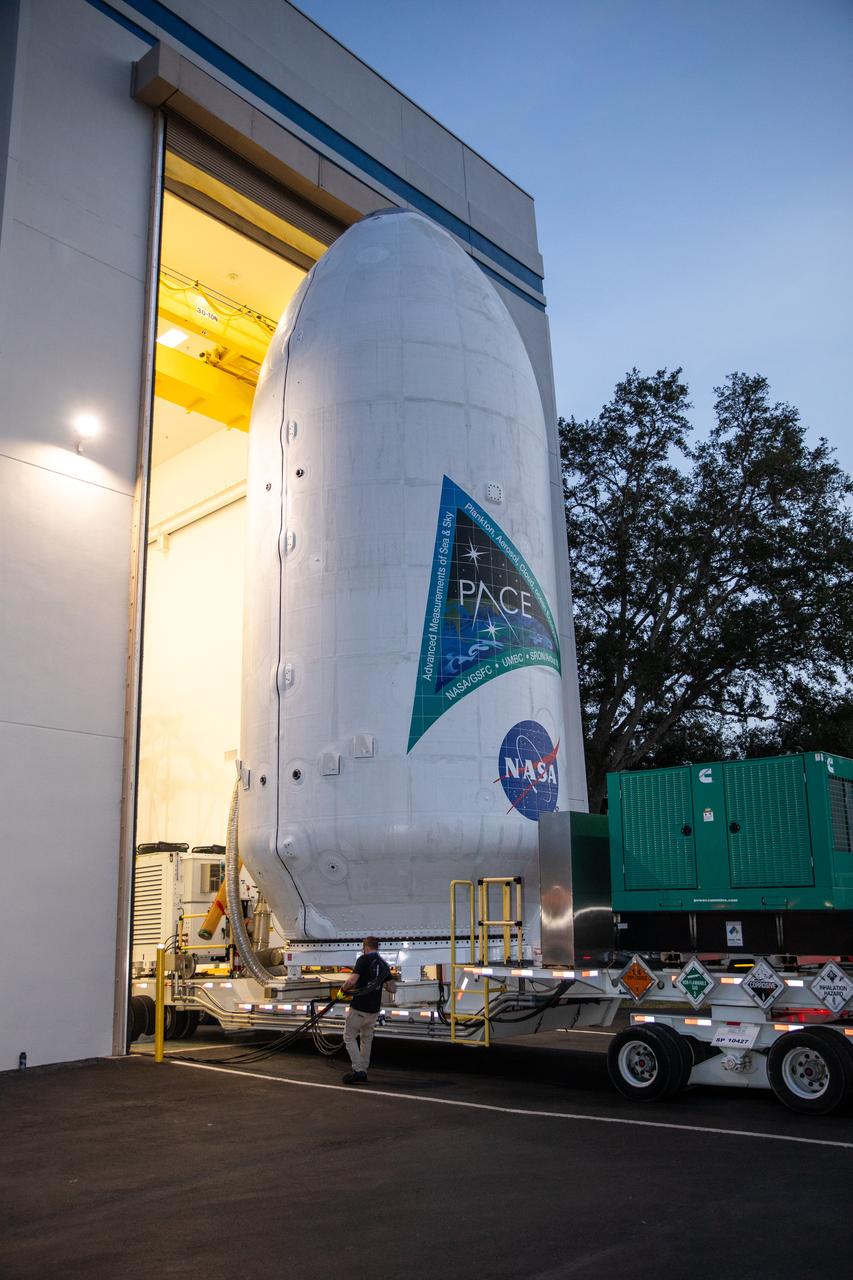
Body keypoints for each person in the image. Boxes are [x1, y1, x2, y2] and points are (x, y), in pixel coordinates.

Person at [341, 936, 395, 1085]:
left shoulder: (363, 960)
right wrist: (382, 983)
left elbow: (352, 980)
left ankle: (358, 1070)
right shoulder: (383, 964)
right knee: (366, 1039)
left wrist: (343, 989)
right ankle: (363, 1070)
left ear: (365, 947)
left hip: (359, 1007)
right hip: (373, 1010)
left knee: (349, 1037)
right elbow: (392, 988)